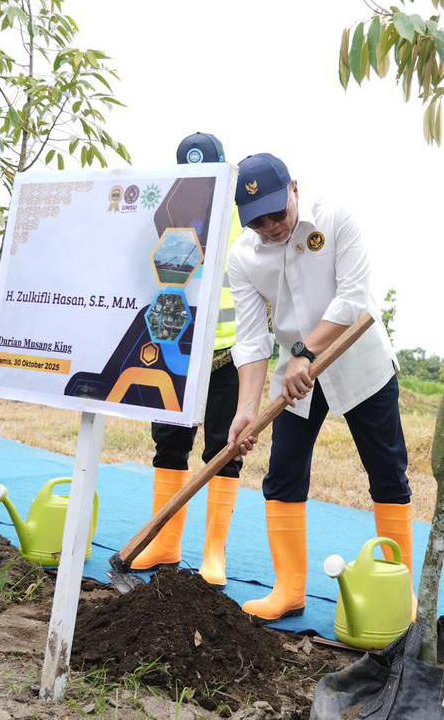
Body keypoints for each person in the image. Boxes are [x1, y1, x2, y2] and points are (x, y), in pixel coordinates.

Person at [226, 152, 413, 621]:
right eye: (257, 221)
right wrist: (246, 408)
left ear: (294, 188)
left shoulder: (335, 218)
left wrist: (305, 353)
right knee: (282, 474)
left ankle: (400, 592)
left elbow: (353, 299)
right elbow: (252, 339)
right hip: (296, 378)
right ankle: (289, 590)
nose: (271, 226)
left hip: (359, 361)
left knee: (387, 472)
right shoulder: (243, 257)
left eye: (277, 212)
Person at [130, 132, 244, 586]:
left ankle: (214, 553)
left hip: (230, 354)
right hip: (176, 351)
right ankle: (164, 543)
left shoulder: (243, 216)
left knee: (225, 449)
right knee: (169, 445)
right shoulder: (166, 213)